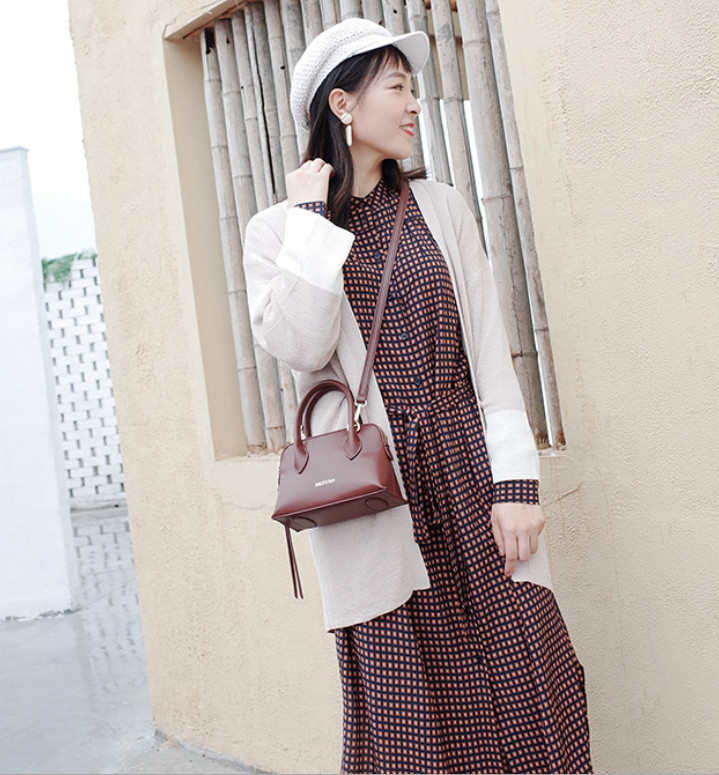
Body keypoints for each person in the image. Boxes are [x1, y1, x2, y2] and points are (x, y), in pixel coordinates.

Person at [243, 17, 592, 775]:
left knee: (529, 679)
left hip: (470, 477)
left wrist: (516, 488)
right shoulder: (277, 233)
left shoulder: (442, 207)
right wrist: (311, 220)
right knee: (412, 720)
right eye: (397, 87)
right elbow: (301, 345)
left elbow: (490, 359)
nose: (413, 104)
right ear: (342, 104)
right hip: (376, 497)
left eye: (412, 88)